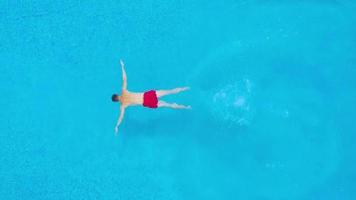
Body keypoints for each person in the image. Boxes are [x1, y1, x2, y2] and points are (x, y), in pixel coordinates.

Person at [112, 60, 191, 133]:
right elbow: (124, 79)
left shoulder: (123, 105)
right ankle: (185, 88)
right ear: (117, 95)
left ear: (117, 101)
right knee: (169, 91)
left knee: (169, 105)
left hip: (147, 102)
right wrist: (122, 66)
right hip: (147, 95)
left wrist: (117, 126)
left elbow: (121, 117)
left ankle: (186, 107)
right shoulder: (124, 91)